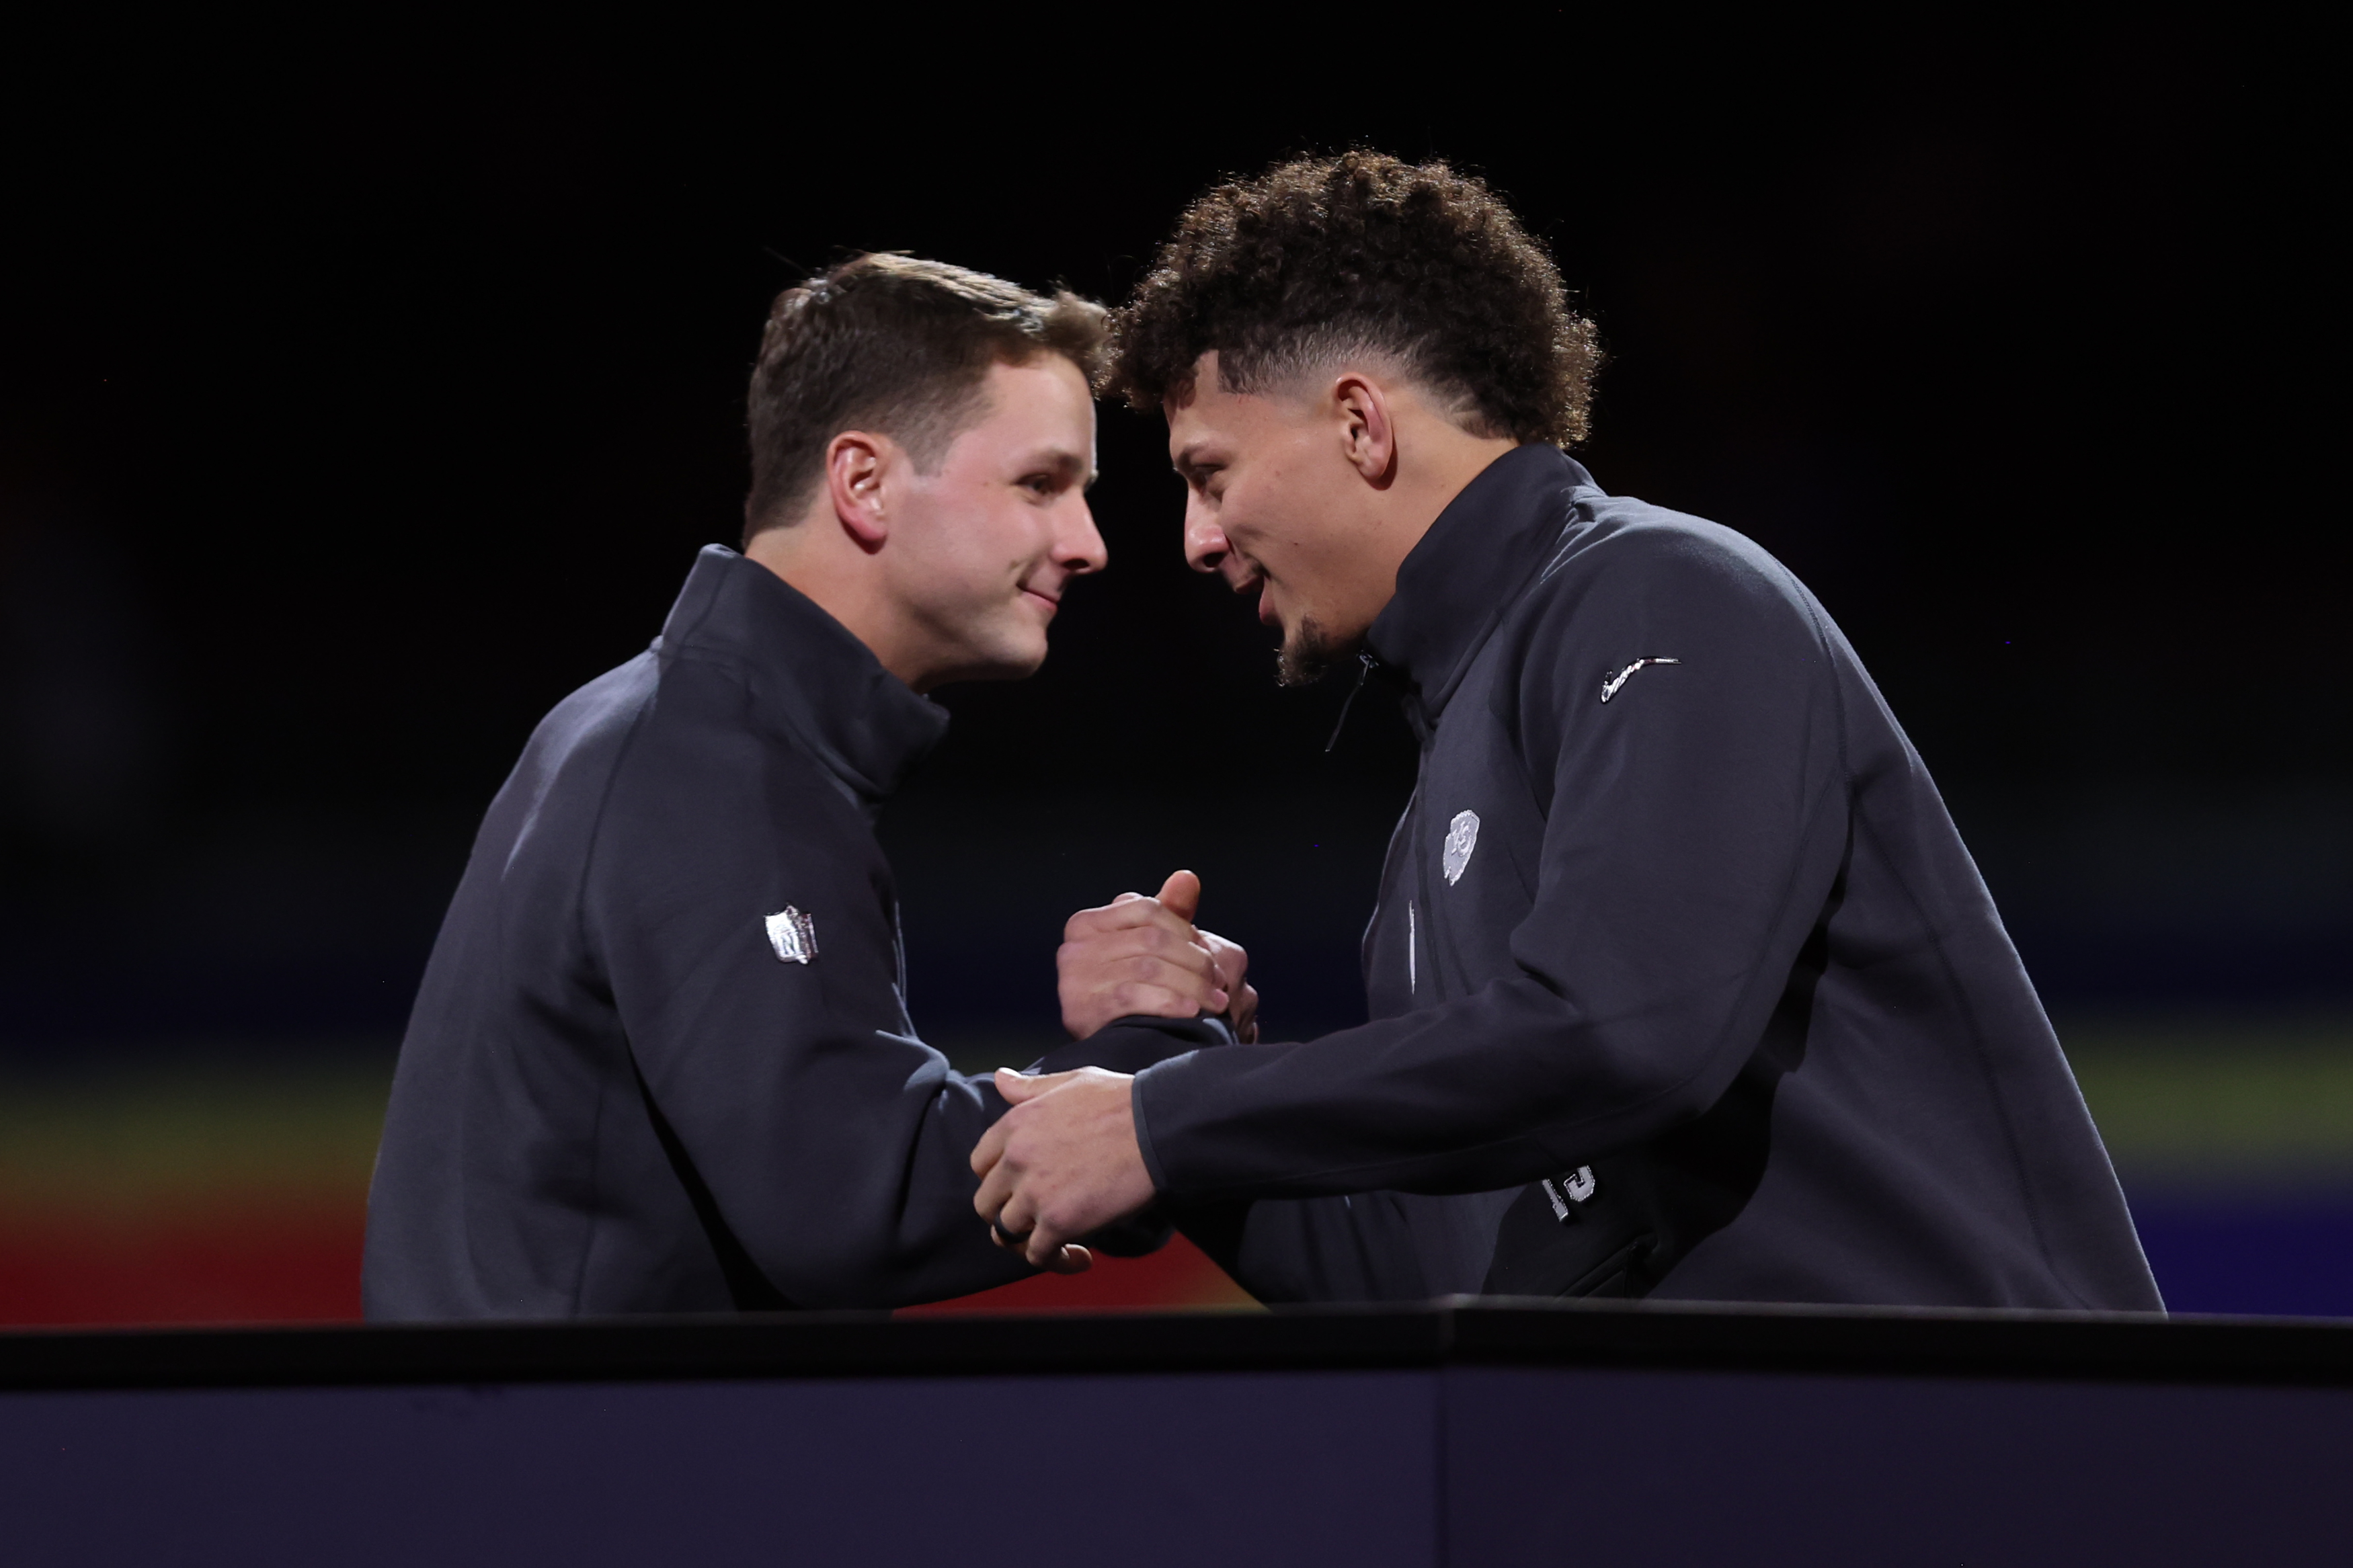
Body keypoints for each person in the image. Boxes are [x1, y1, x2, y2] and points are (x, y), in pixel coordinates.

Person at [973, 155, 2163, 1311]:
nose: (1196, 536)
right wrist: (1173, 1084)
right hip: (1749, 1468)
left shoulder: (1661, 594)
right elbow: (1434, 1279)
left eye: (1211, 472)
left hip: (1980, 1461)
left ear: (1358, 425)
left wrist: (1169, 1120)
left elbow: (1624, 1030)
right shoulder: (1439, 808)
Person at [364, 254, 1250, 1319]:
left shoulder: (666, 727)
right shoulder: (706, 769)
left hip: (539, 1460)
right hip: (582, 1473)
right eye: (1039, 484)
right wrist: (1153, 1072)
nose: (1088, 543)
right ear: (864, 483)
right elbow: (851, 1199)